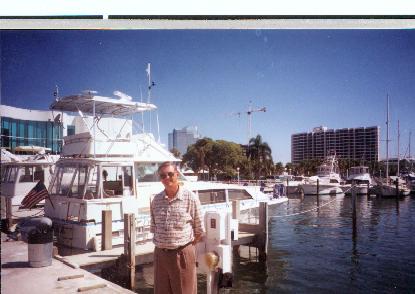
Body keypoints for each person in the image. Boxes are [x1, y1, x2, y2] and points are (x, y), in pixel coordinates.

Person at [150, 161, 205, 294]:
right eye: (163, 176)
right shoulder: (156, 200)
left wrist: (184, 248)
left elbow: (199, 230)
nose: (167, 178)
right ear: (160, 179)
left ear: (177, 175)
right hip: (160, 255)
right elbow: (154, 228)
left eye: (170, 174)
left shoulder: (190, 198)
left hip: (182, 254)